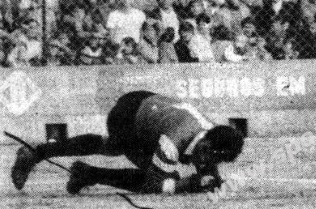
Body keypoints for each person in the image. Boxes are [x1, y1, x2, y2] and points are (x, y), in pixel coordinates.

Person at [11, 90, 244, 195]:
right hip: (127, 117)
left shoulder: (211, 133)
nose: (208, 163)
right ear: (205, 146)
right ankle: (84, 172)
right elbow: (155, 185)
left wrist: (212, 177)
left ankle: (42, 155)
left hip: (146, 105)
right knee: (160, 179)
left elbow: (209, 161)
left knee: (110, 146)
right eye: (210, 157)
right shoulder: (174, 141)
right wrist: (189, 184)